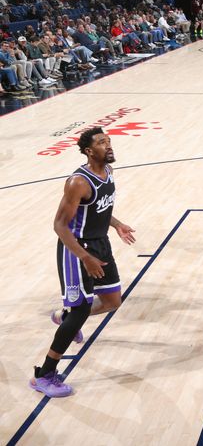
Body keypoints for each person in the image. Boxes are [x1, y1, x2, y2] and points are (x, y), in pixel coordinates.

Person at [30, 127, 136, 397]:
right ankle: (44, 374)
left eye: (109, 141)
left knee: (113, 302)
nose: (109, 146)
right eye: (102, 142)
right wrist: (85, 257)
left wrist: (116, 224)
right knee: (80, 311)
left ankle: (66, 317)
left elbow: (101, 208)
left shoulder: (109, 172)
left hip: (99, 243)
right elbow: (60, 225)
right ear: (89, 151)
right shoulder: (78, 182)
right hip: (76, 248)